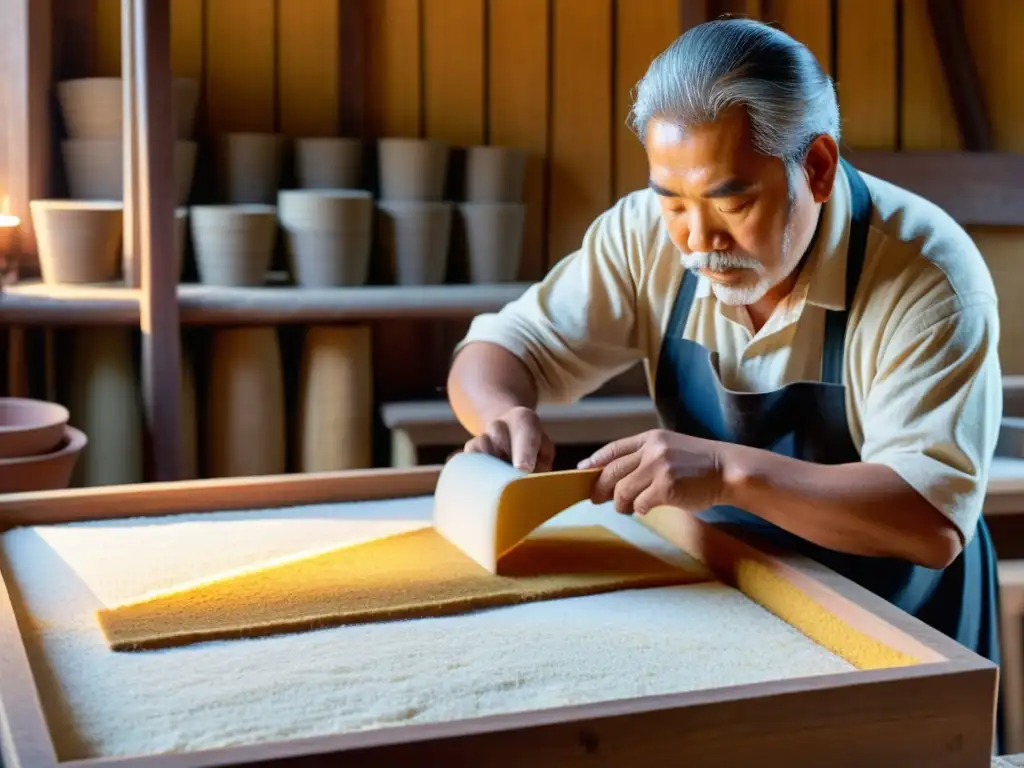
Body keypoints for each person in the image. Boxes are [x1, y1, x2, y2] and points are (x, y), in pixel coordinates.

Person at [445, 16, 1005, 751]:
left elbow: (928, 521)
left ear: (818, 169)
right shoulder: (646, 235)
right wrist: (501, 410)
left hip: (897, 618)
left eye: (731, 202)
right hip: (734, 597)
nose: (698, 239)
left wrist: (722, 470)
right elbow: (498, 348)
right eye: (673, 201)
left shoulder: (925, 276)